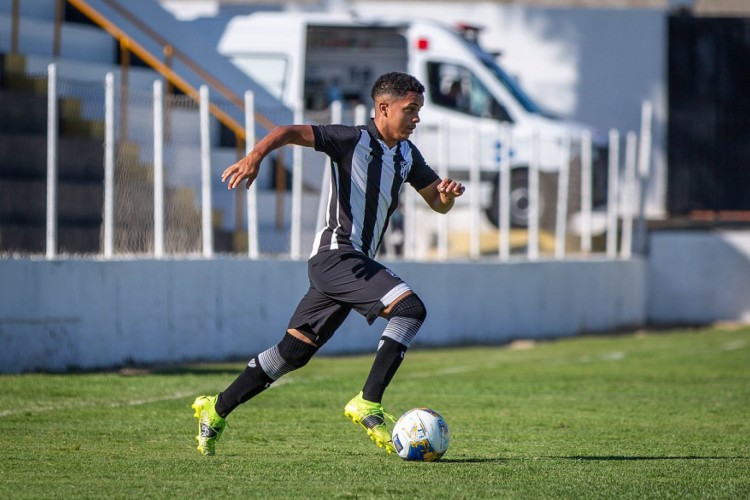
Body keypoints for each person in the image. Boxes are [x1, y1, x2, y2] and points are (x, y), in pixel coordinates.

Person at [192, 72, 465, 456]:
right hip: (337, 255)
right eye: (411, 110)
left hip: (349, 264)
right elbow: (287, 131)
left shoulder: (407, 155)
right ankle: (368, 400)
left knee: (293, 354)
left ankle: (215, 408)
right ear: (383, 108)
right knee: (410, 309)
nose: (416, 118)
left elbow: (436, 203)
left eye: (419, 110)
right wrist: (254, 157)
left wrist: (447, 194)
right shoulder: (350, 140)